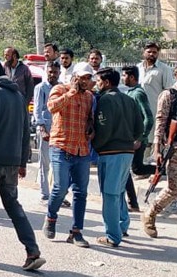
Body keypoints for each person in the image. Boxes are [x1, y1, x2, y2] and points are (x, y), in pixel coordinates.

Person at [0, 57, 45, 271]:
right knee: (13, 206)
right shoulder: (17, 95)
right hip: (12, 162)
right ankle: (32, 251)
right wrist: (22, 160)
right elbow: (25, 133)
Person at [43, 62, 95, 248]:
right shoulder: (59, 88)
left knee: (81, 192)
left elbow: (90, 118)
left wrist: (91, 127)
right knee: (60, 188)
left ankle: (76, 232)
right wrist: (71, 92)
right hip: (61, 146)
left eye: (89, 78)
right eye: (84, 78)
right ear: (75, 77)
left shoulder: (89, 97)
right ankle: (51, 217)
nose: (86, 81)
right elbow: (52, 107)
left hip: (81, 148)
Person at [142, 63, 177, 244]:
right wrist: (157, 150)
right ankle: (151, 212)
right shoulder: (168, 95)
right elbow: (160, 123)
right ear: (176, 75)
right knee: (175, 188)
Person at [92, 68, 143, 247]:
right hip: (127, 152)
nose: (96, 84)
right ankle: (122, 225)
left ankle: (113, 236)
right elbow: (140, 127)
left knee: (110, 194)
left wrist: (96, 146)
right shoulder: (129, 100)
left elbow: (103, 127)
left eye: (98, 81)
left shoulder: (105, 99)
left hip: (110, 153)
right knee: (119, 191)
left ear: (106, 83)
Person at [121, 65, 155, 212]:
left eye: (124, 76)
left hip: (137, 140)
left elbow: (149, 118)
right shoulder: (130, 92)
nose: (123, 78)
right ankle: (133, 203)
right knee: (132, 169)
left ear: (132, 77)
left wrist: (141, 138)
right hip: (130, 138)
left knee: (136, 169)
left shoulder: (139, 94)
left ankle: (163, 170)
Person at [138, 42, 175, 147]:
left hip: (155, 110)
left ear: (158, 54)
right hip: (138, 110)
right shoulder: (138, 67)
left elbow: (168, 91)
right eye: (149, 52)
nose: (151, 54)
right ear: (143, 52)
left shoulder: (164, 69)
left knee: (153, 140)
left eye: (154, 52)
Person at [33, 61, 59, 203]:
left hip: (59, 128)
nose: (52, 75)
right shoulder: (41, 88)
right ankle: (45, 193)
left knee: (58, 162)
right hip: (45, 128)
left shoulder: (61, 88)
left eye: (55, 72)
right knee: (45, 162)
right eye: (50, 72)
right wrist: (42, 128)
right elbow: (37, 110)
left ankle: (57, 193)